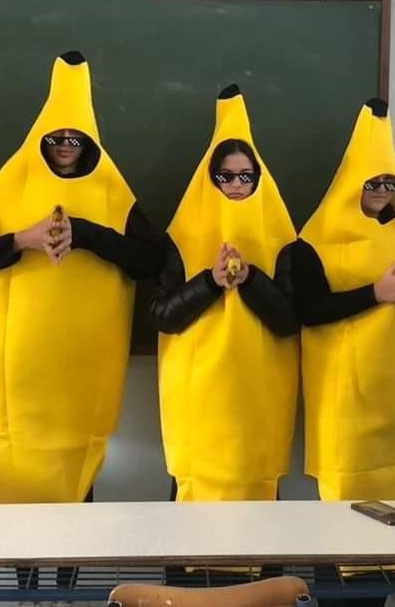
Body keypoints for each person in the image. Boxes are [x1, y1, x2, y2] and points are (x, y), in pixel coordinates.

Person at [0, 51, 162, 509]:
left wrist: (84, 233)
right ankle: (24, 581)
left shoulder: (111, 190)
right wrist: (22, 239)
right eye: (57, 137)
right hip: (18, 369)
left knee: (77, 480)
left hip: (84, 367)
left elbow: (150, 260)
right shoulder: (8, 187)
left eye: (75, 138)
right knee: (18, 483)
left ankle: (66, 581)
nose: (65, 145)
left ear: (89, 142)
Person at [149, 85, 299, 503]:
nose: (236, 184)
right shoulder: (181, 234)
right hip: (197, 398)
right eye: (226, 176)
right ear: (210, 178)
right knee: (194, 522)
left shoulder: (283, 237)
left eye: (245, 176)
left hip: (259, 396)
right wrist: (211, 283)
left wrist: (250, 279)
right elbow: (162, 315)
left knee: (256, 521)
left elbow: (289, 321)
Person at [294, 98, 395, 502]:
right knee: (343, 504)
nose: (380, 192)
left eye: (389, 184)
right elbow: (310, 311)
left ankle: (391, 570)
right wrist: (378, 293)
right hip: (343, 396)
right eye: (372, 183)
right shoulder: (314, 241)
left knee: (392, 500)